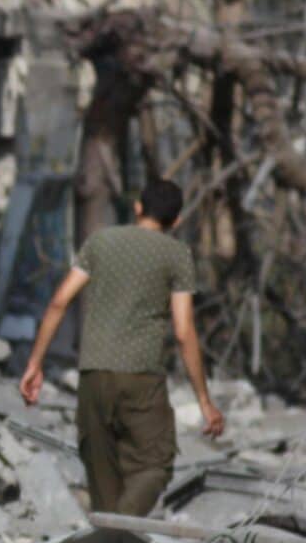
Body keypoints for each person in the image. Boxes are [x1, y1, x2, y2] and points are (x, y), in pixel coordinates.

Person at [16, 177, 224, 516]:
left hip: (93, 374)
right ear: (176, 221)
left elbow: (59, 301)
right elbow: (184, 332)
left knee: (103, 474)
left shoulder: (100, 241)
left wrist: (34, 364)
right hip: (141, 377)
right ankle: (116, 536)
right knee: (154, 464)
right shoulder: (176, 254)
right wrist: (205, 401)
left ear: (138, 208)